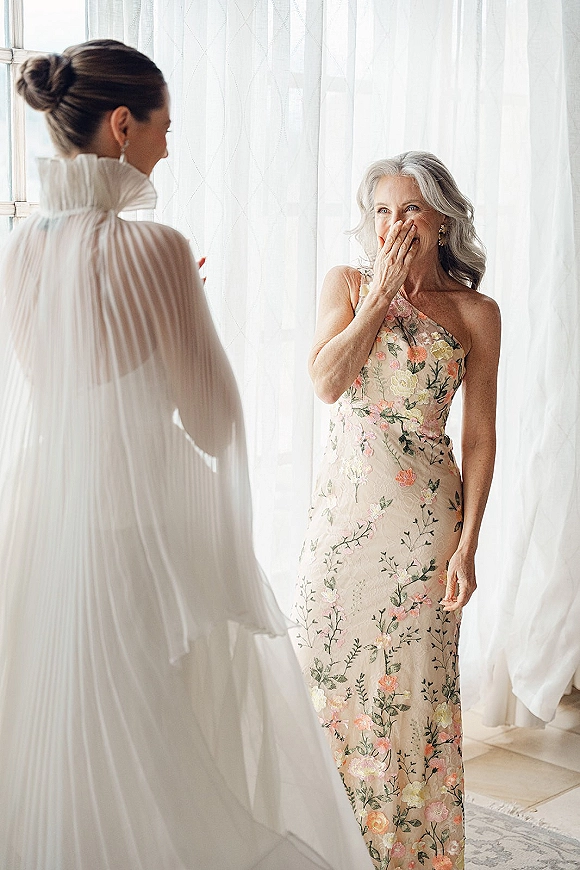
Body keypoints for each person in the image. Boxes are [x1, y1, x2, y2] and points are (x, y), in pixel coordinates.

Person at [0, 40, 374, 870]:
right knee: (156, 731)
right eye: (166, 126)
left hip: (42, 526)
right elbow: (214, 425)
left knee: (62, 735)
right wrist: (183, 310)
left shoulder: (18, 249)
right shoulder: (159, 249)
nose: (172, 144)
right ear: (123, 126)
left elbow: (66, 389)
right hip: (139, 528)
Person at [292, 152, 500, 870]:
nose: (393, 226)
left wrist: (468, 546)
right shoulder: (347, 285)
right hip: (342, 525)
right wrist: (380, 296)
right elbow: (325, 382)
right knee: (324, 680)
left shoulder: (476, 313)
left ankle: (406, 854)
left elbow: (477, 436)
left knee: (411, 699)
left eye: (409, 210)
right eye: (381, 211)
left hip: (425, 534)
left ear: (441, 220)